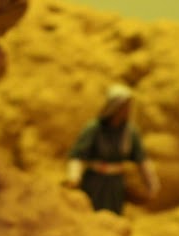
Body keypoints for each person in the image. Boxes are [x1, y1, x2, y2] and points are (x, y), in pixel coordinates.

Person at [65, 83, 160, 214]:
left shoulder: (129, 132)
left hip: (115, 185)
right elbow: (78, 156)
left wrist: (152, 184)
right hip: (95, 182)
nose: (127, 110)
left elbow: (142, 160)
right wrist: (74, 177)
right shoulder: (94, 129)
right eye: (124, 106)